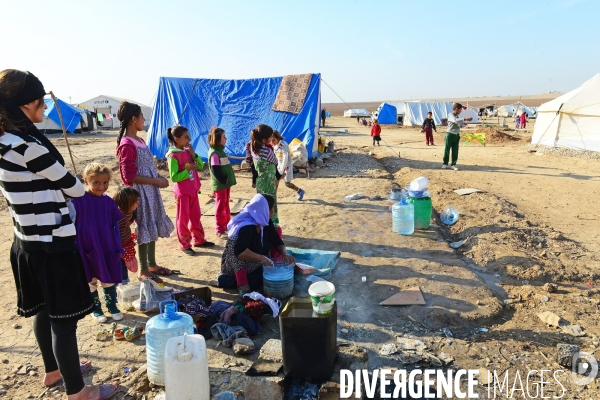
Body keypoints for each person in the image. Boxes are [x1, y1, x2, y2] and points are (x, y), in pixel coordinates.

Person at [0, 69, 118, 399]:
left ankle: (54, 372)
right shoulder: (27, 147)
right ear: (28, 103)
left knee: (42, 310)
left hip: (25, 242)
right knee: (63, 321)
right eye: (40, 103)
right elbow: (75, 188)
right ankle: (79, 392)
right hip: (52, 245)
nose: (43, 109)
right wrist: (70, 183)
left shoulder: (4, 142)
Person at [116, 101, 175, 281]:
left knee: (151, 225)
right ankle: (143, 270)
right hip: (140, 194)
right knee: (144, 227)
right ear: (134, 119)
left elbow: (146, 166)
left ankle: (152, 263)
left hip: (150, 191)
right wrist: (156, 180)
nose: (144, 120)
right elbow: (129, 176)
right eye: (142, 116)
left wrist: (157, 178)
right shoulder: (127, 144)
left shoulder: (140, 141)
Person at [72, 163, 124, 323]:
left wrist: (118, 246)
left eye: (105, 182)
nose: (102, 186)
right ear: (86, 180)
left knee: (107, 278)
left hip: (106, 246)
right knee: (91, 279)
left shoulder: (109, 202)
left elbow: (117, 224)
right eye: (96, 182)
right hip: (86, 246)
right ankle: (96, 309)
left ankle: (112, 306)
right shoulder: (77, 201)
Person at [216, 194, 295, 295]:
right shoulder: (247, 227)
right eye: (272, 208)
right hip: (235, 267)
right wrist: (263, 259)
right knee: (234, 242)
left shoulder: (263, 220)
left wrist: (284, 253)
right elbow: (240, 252)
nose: (273, 211)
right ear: (266, 209)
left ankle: (272, 267)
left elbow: (276, 240)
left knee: (276, 229)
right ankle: (238, 283)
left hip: (254, 263)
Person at [166, 125, 214, 255]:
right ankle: (185, 245)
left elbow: (199, 165)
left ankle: (199, 240)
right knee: (183, 218)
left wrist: (194, 154)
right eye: (186, 137)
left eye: (189, 136)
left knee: (196, 215)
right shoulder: (173, 156)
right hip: (182, 193)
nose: (189, 139)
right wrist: (187, 171)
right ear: (176, 139)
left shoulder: (187, 151)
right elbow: (174, 177)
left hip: (192, 190)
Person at [208, 126, 237, 239]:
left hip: (225, 184)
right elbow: (215, 170)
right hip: (221, 184)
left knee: (225, 205)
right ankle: (219, 229)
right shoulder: (215, 153)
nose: (226, 138)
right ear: (217, 139)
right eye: (224, 137)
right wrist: (223, 179)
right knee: (220, 206)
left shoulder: (220, 151)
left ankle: (226, 225)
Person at [250, 124, 280, 224]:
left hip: (260, 182)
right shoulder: (267, 151)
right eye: (271, 137)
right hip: (269, 183)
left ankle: (262, 223)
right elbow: (276, 161)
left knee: (262, 204)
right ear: (264, 140)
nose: (272, 138)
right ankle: (272, 226)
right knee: (271, 204)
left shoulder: (253, 148)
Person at [114, 186, 140, 285]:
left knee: (123, 264)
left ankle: (123, 281)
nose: (138, 202)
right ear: (127, 204)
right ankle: (122, 283)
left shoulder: (128, 212)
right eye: (135, 201)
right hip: (118, 246)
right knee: (120, 265)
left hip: (125, 243)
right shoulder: (119, 216)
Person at [272, 130, 305, 200]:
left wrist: (282, 169)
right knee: (276, 180)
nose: (272, 142)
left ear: (278, 138)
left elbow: (285, 158)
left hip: (286, 166)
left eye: (273, 140)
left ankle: (299, 190)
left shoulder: (283, 145)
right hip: (279, 165)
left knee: (287, 183)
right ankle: (273, 197)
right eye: (271, 140)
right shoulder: (274, 146)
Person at [442, 102, 472, 171]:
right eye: (460, 110)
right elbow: (455, 121)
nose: (461, 111)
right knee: (447, 149)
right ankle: (445, 163)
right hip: (449, 134)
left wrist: (465, 124)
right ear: (456, 109)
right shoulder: (451, 115)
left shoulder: (457, 117)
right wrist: (465, 119)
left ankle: (453, 164)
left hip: (456, 135)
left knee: (455, 150)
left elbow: (460, 124)